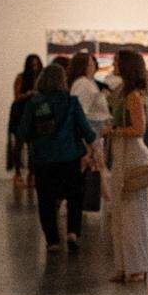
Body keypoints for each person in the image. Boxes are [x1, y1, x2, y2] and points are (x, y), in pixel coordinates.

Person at [19, 64, 98, 253]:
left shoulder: (34, 103)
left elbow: (22, 132)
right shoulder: (71, 102)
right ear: (63, 80)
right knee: (74, 197)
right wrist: (92, 145)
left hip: (43, 159)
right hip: (70, 158)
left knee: (46, 200)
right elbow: (87, 130)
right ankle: (72, 233)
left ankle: (53, 241)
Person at [107, 50, 148, 284]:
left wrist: (113, 130)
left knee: (133, 215)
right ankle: (124, 266)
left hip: (132, 154)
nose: (113, 64)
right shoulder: (123, 93)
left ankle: (136, 267)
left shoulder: (133, 95)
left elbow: (138, 129)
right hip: (122, 152)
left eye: (116, 61)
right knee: (120, 214)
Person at [9, 54, 43, 188]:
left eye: (37, 65)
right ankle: (18, 174)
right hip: (20, 113)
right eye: (32, 65)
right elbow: (17, 96)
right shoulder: (21, 78)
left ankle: (31, 174)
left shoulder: (41, 78)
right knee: (19, 144)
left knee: (33, 146)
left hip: (34, 114)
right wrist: (28, 94)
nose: (35, 68)